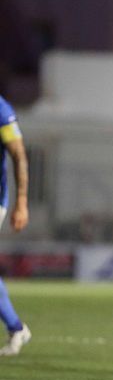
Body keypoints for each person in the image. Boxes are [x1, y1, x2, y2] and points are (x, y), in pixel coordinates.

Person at [0, 94, 31, 357]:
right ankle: (16, 327)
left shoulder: (1, 109)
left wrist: (21, 202)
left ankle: (16, 326)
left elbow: (19, 156)